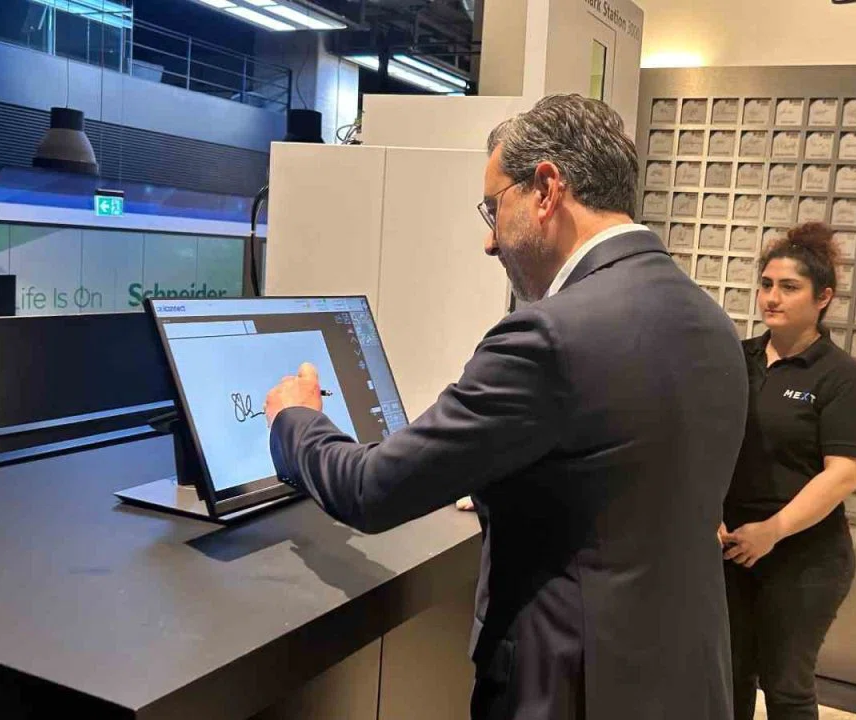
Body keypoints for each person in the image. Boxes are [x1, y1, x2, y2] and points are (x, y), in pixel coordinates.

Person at [264, 94, 748, 720]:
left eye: (493, 208)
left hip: (570, 691)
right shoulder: (710, 320)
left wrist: (295, 419)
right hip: (686, 682)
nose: (490, 242)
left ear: (545, 189)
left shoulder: (548, 336)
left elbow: (371, 489)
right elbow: (624, 472)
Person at [719, 222, 856, 720]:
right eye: (766, 284)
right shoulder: (735, 359)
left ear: (823, 297)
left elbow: (843, 474)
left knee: (785, 685)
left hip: (804, 557)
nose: (772, 298)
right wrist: (708, 513)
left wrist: (773, 530)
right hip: (729, 550)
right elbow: (705, 443)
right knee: (727, 676)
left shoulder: (841, 377)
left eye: (789, 287)